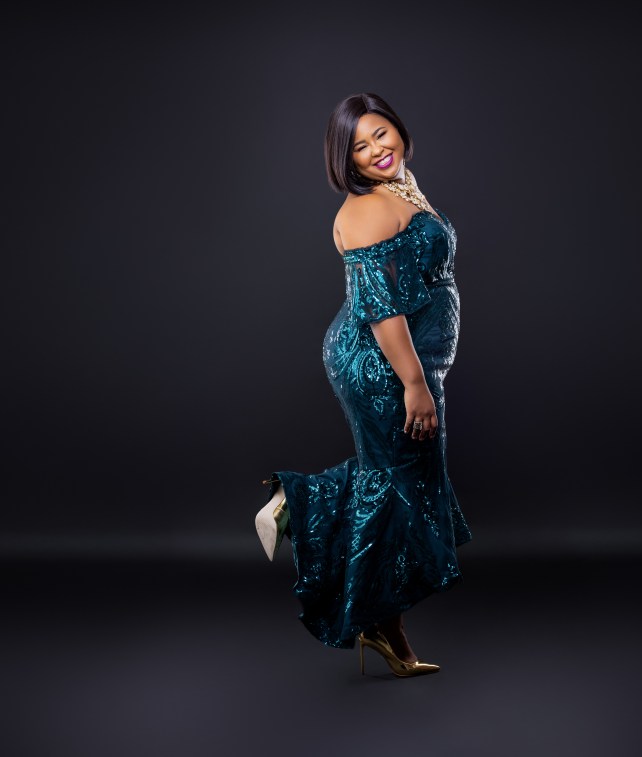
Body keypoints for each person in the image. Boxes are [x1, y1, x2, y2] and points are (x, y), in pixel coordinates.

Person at [254, 92, 472, 678]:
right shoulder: (367, 210)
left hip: (403, 362)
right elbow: (381, 309)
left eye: (381, 133)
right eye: (360, 146)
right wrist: (414, 383)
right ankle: (297, 502)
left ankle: (383, 628)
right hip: (382, 364)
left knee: (399, 480)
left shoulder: (400, 188)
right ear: (344, 159)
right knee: (396, 479)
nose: (377, 149)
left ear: (399, 129)